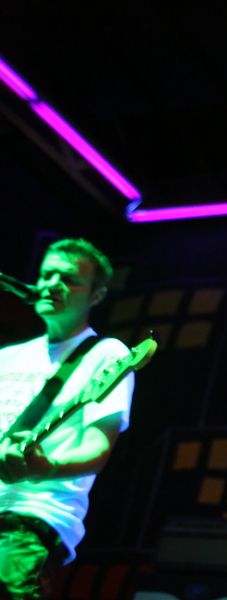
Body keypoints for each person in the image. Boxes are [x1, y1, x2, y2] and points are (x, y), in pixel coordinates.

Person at [0, 238, 134, 599]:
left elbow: (97, 449)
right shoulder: (7, 357)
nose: (52, 284)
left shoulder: (106, 354)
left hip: (30, 517)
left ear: (96, 295)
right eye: (47, 275)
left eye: (69, 279)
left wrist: (47, 467)